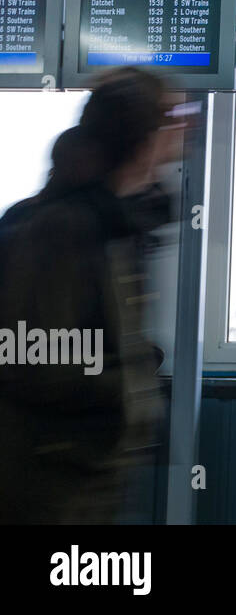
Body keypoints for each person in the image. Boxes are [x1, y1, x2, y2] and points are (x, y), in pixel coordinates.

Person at [0, 67, 183, 523]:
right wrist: (129, 376)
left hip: (84, 477)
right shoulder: (63, 228)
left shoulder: (116, 222)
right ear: (141, 140)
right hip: (45, 483)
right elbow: (29, 355)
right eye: (172, 116)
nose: (185, 126)